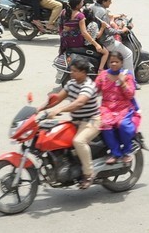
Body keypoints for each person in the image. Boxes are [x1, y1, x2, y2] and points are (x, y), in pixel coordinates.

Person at [37, 56, 101, 189]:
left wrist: (59, 109)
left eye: (75, 71)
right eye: (71, 70)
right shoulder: (71, 84)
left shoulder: (88, 86)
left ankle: (89, 174)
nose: (71, 73)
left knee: (79, 141)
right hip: (76, 121)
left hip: (92, 121)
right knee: (53, 132)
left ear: (83, 72)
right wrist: (39, 108)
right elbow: (56, 99)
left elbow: (79, 103)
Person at [95, 51, 139, 165]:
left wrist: (123, 82)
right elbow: (94, 90)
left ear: (122, 63)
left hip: (123, 107)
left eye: (117, 62)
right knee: (105, 123)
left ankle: (127, 150)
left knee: (123, 124)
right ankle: (115, 153)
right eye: (111, 62)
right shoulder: (103, 75)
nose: (114, 64)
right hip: (106, 107)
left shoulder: (127, 75)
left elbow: (130, 95)